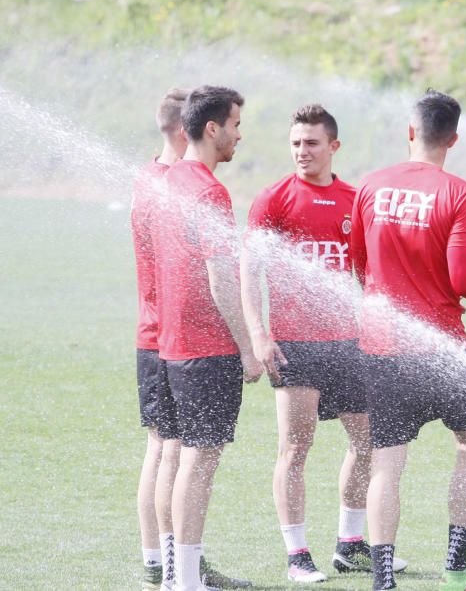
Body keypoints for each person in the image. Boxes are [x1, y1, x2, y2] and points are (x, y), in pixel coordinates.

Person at [351, 90, 466, 591]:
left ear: (410, 131)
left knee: (387, 464)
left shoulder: (370, 186)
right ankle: (454, 568)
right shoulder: (459, 194)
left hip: (381, 348)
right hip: (442, 349)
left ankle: (383, 579)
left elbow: (360, 266)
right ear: (453, 139)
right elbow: (465, 279)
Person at [242, 104, 407, 583]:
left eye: (311, 143)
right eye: (295, 143)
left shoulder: (355, 200)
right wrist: (258, 334)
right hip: (295, 344)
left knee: (368, 442)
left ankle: (350, 544)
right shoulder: (273, 199)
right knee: (295, 448)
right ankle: (297, 554)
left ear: (333, 147)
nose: (301, 151)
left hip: (351, 344)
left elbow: (368, 273)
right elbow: (249, 270)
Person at [153, 85, 260, 591]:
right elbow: (221, 278)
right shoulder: (210, 191)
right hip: (207, 348)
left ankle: (179, 574)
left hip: (172, 346)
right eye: (236, 125)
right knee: (198, 464)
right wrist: (247, 347)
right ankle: (187, 580)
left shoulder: (170, 178)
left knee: (184, 461)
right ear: (212, 128)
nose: (240, 134)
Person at [132, 88, 188, 591]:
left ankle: (159, 562)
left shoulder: (150, 177)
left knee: (161, 447)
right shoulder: (169, 185)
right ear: (184, 130)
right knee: (171, 450)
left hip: (154, 334)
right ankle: (172, 567)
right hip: (167, 337)